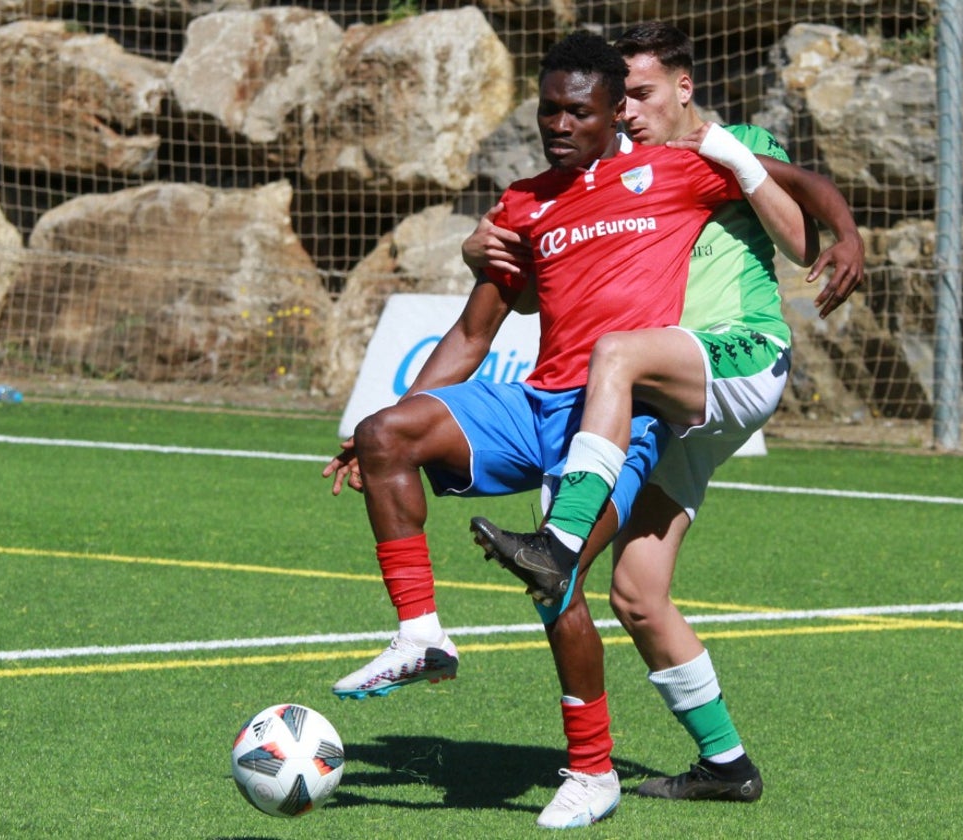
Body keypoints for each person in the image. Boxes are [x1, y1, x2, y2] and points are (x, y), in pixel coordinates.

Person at [322, 29, 811, 829]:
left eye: (575, 111)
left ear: (614, 112)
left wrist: (842, 233)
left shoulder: (671, 168)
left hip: (619, 420)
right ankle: (419, 636)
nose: (557, 124)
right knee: (385, 436)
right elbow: (475, 335)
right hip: (536, 399)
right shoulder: (523, 204)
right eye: (547, 109)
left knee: (563, 586)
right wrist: (394, 415)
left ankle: (593, 772)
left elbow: (799, 194)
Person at [468, 20, 865, 807]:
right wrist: (481, 249)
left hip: (738, 354)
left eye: (642, 95)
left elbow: (803, 209)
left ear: (683, 88)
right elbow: (547, 260)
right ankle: (726, 764)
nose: (630, 114)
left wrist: (844, 230)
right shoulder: (616, 168)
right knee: (637, 592)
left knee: (612, 357)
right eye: (623, 101)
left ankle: (558, 539)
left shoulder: (730, 140)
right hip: (674, 393)